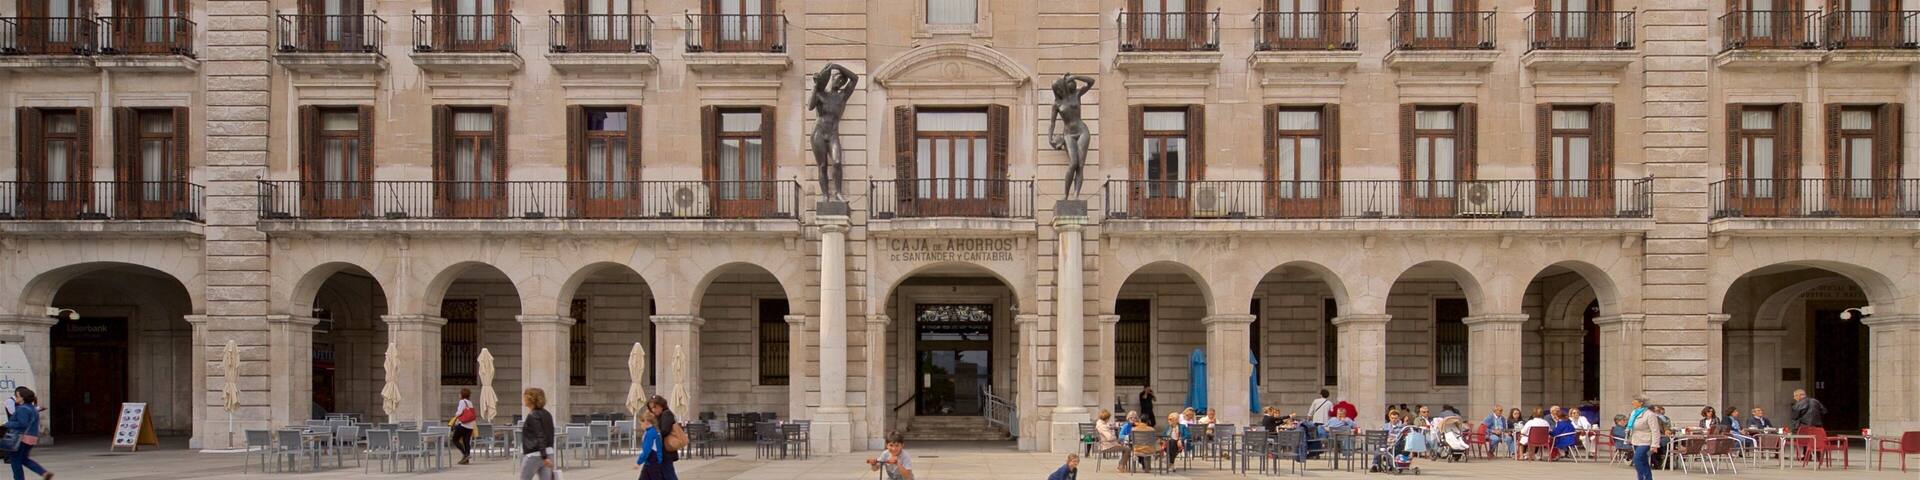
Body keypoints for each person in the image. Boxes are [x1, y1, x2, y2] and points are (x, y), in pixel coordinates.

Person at [4, 387, 50, 480]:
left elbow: (22, 423)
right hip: (31, 437)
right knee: (23, 459)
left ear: (22, 398)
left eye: (17, 396)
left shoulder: (22, 409)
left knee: (15, 461)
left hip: (22, 437)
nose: (15, 398)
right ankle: (43, 473)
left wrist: (8, 423)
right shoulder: (32, 409)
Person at [518, 388, 555, 480]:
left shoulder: (532, 415)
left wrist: (544, 456)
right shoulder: (547, 414)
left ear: (530, 399)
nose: (523, 399)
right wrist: (546, 455)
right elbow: (550, 434)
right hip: (548, 452)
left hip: (534, 454)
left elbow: (540, 435)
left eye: (525, 397)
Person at [1627, 395, 1663, 480]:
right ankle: (1648, 478)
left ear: (1641, 403)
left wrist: (1655, 445)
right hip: (1636, 439)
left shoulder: (1650, 414)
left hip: (1646, 440)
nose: (1632, 403)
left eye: (1635, 401)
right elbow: (1631, 425)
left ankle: (1643, 477)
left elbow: (1655, 430)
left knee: (1637, 459)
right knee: (1644, 461)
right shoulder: (1634, 412)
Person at [645, 395, 681, 476]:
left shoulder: (666, 414)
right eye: (651, 408)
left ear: (661, 406)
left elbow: (665, 431)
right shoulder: (658, 416)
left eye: (655, 407)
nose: (653, 410)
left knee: (668, 474)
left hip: (666, 451)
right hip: (660, 451)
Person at [635, 412, 669, 480]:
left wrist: (639, 462)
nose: (641, 425)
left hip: (653, 462)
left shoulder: (650, 433)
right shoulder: (653, 431)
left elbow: (647, 450)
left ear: (646, 422)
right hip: (651, 461)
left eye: (641, 423)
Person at [451, 388, 477, 464]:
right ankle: (466, 459)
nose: (459, 395)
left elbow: (459, 412)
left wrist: (455, 416)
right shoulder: (470, 402)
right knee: (466, 441)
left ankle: (465, 454)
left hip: (463, 424)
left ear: (462, 394)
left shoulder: (462, 401)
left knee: (455, 439)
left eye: (460, 393)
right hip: (470, 425)